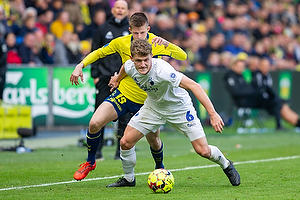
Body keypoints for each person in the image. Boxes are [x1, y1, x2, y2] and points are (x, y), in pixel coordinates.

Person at [106, 39, 240, 187]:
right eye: (139, 61)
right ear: (132, 59)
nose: (143, 64)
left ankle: (226, 164)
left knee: (203, 150)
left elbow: (194, 86)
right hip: (153, 107)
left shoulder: (163, 71)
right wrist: (118, 78)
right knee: (125, 142)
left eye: (146, 60)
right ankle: (129, 179)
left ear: (152, 56)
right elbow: (125, 67)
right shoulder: (130, 66)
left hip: (180, 109)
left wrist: (213, 114)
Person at [70, 12, 187, 181]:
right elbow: (98, 53)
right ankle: (90, 162)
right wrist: (80, 65)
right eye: (135, 33)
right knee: (94, 123)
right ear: (129, 30)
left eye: (142, 32)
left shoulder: (156, 43)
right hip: (124, 95)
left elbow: (183, 56)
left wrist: (168, 44)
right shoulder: (121, 42)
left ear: (148, 29)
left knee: (154, 141)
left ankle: (160, 169)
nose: (139, 36)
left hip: (149, 102)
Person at [90, 0, 129, 161]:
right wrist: (95, 75)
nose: (120, 10)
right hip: (105, 78)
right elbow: (95, 51)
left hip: (125, 80)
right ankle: (97, 151)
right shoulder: (103, 29)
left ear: (127, 11)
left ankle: (120, 152)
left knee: (125, 117)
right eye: (118, 8)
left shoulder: (131, 30)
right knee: (100, 115)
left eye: (123, 8)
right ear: (113, 10)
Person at [224, 58, 300, 130]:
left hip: (251, 100)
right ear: (233, 66)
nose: (241, 68)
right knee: (276, 103)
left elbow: (248, 89)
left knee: (278, 104)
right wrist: (254, 92)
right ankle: (284, 124)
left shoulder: (240, 76)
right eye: (239, 66)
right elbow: (237, 92)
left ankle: (294, 122)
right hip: (244, 101)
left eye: (242, 67)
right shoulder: (230, 76)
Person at [251, 58, 300, 129]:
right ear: (259, 66)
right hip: (259, 101)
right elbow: (260, 90)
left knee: (283, 107)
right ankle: (280, 125)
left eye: (267, 65)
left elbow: (269, 90)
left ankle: (297, 122)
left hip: (268, 100)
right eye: (264, 65)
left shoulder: (267, 76)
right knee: (278, 104)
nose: (266, 67)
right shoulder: (257, 75)